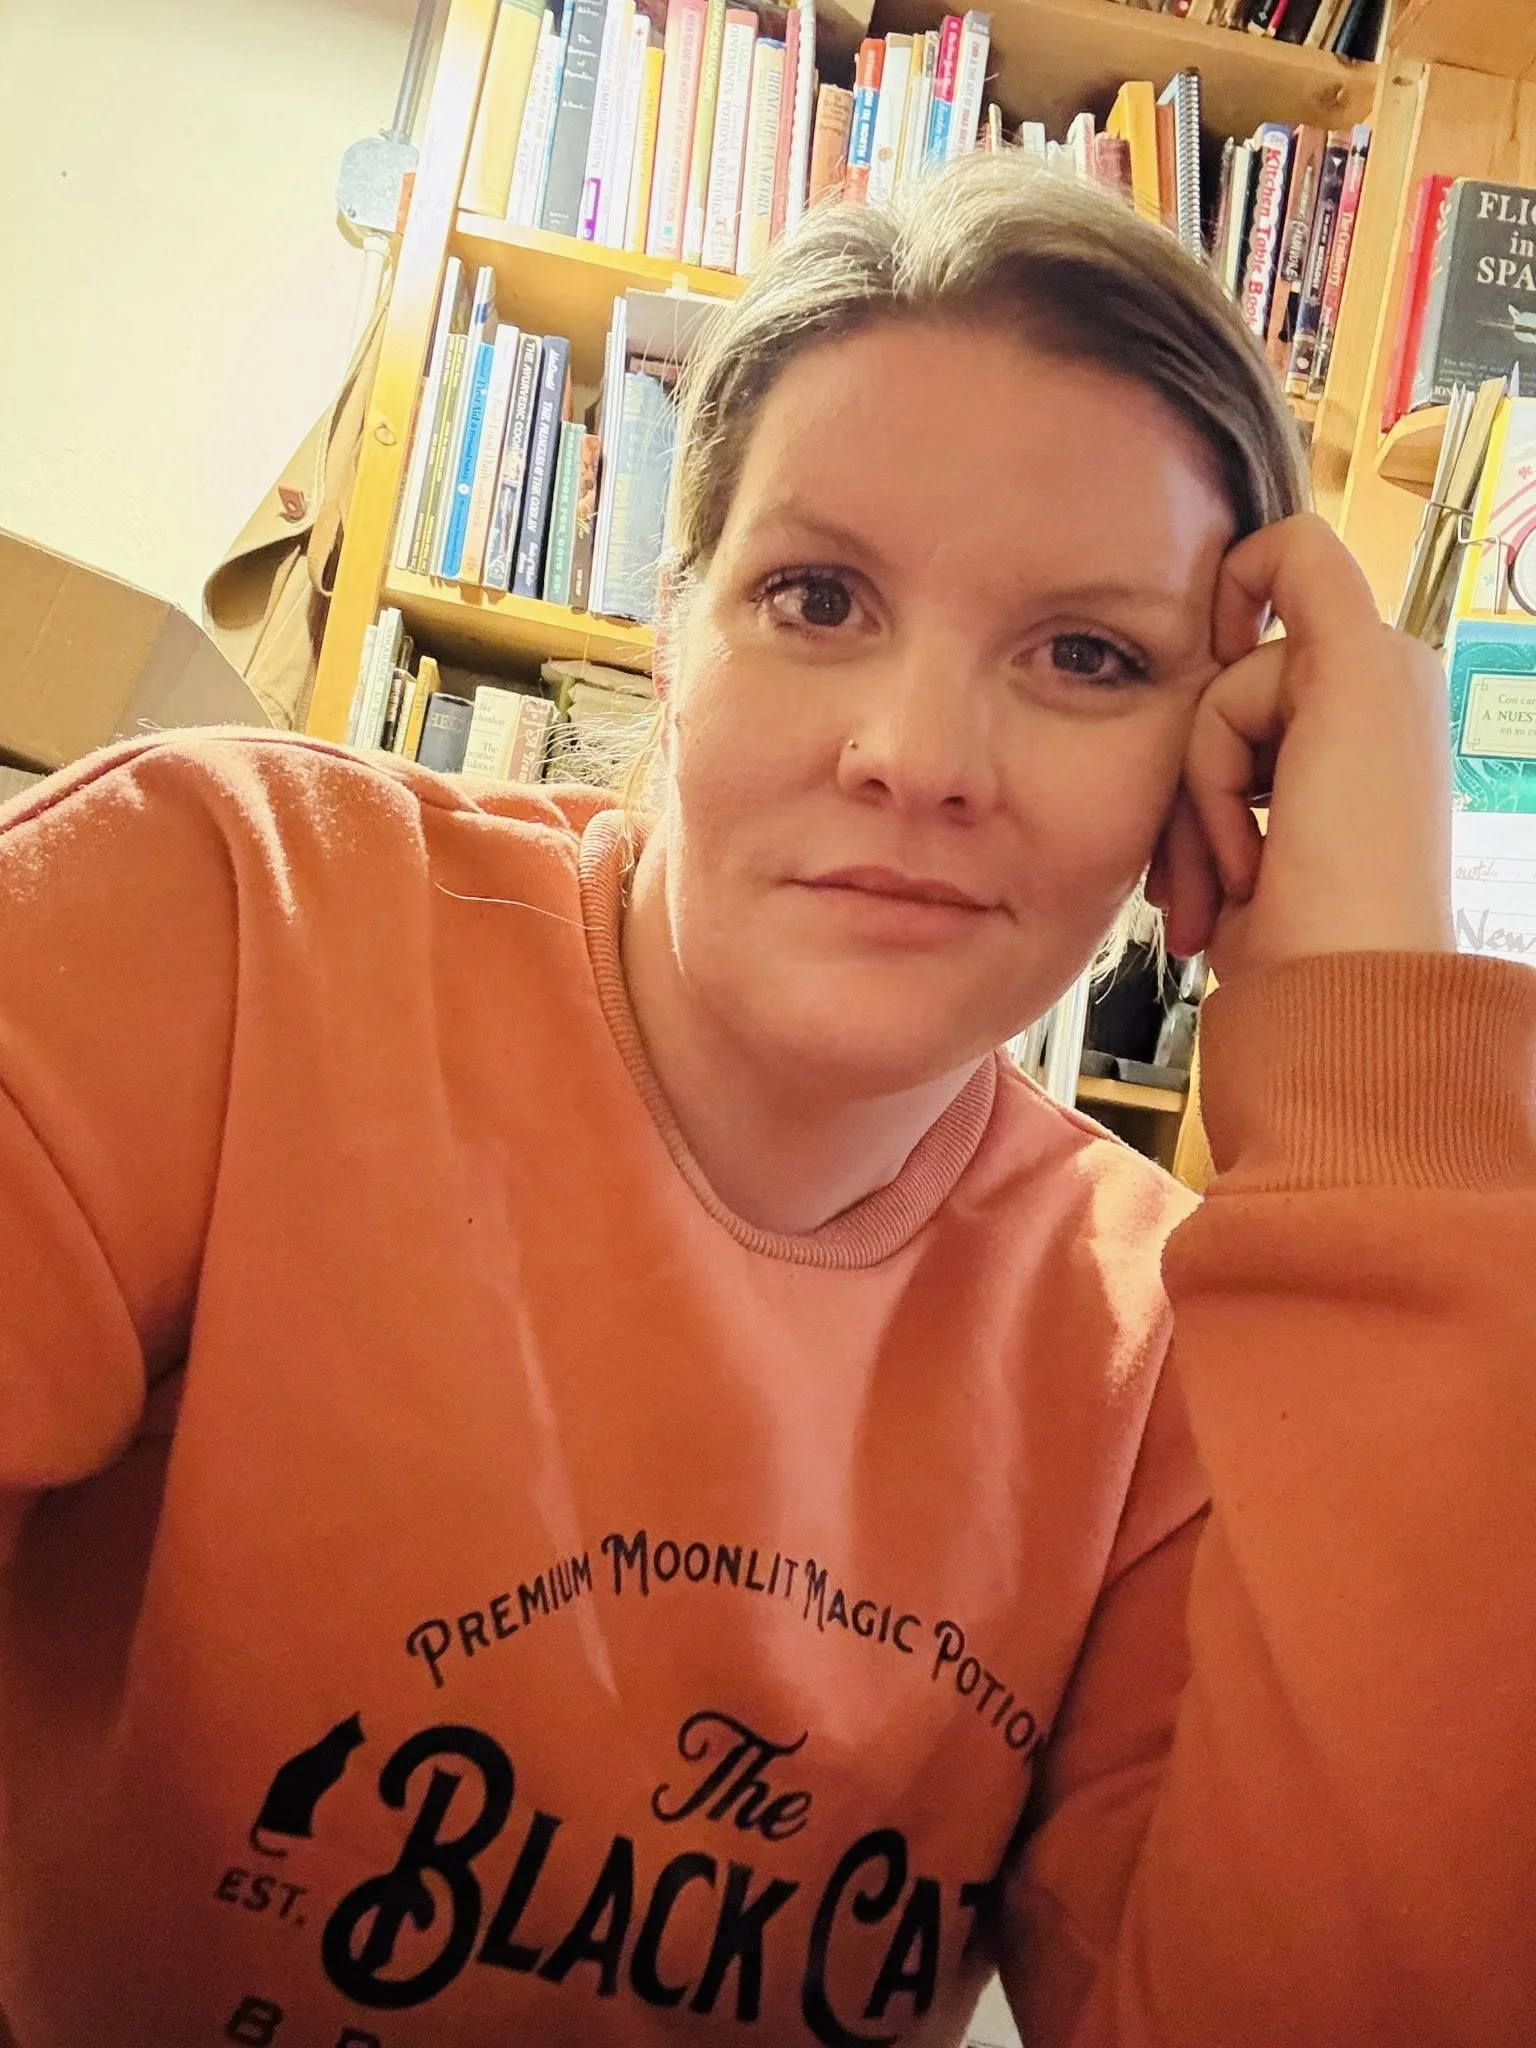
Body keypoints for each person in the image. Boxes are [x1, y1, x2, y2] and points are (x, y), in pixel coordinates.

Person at [0, 154, 1530, 2048]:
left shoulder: (1167, 1366)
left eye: (1085, 656)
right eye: (818, 597)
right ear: (672, 625)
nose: (915, 757)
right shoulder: (228, 913)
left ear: (1222, 764)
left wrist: (1391, 1060)